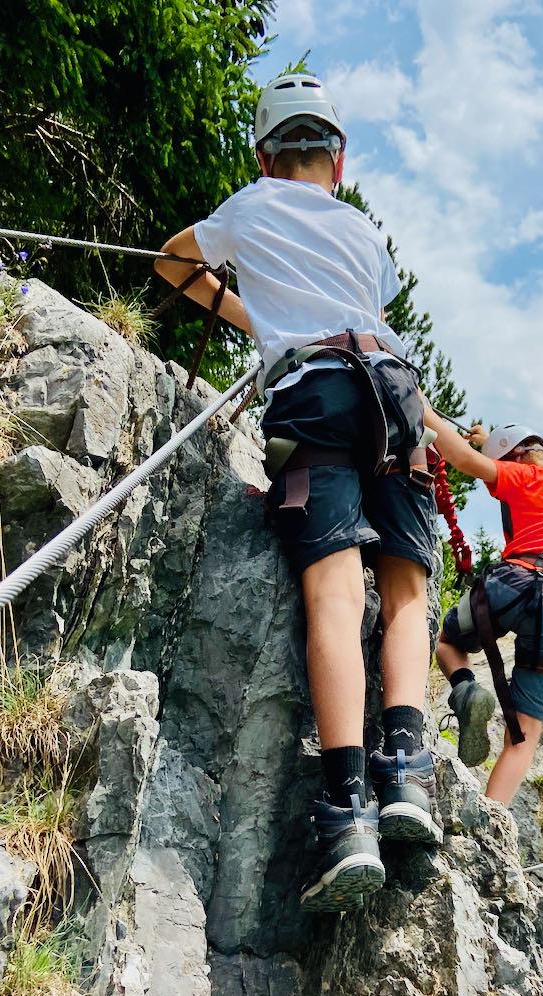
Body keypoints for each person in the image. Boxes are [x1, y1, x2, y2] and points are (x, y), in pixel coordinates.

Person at [155, 74, 441, 912]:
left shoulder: (248, 206)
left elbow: (175, 261)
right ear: (338, 159)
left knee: (334, 589)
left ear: (264, 156)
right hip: (396, 392)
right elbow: (363, 308)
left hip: (313, 391)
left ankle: (348, 814)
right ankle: (409, 773)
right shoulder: (363, 235)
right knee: (408, 590)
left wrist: (252, 319)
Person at [424, 413, 543, 804]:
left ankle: (466, 690)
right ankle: (490, 816)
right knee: (523, 734)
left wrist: (422, 405)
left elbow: (463, 459)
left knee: (447, 642)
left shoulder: (525, 477)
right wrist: (490, 442)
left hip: (512, 582)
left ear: (515, 459)